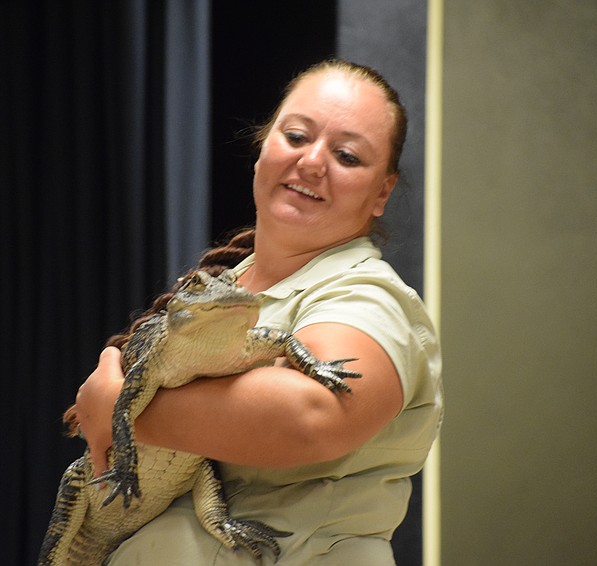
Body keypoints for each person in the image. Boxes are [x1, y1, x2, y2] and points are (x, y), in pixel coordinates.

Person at [73, 59, 443, 564]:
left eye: (347, 156)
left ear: (383, 191)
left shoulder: (367, 297)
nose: (313, 162)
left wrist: (123, 408)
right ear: (262, 147)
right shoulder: (225, 291)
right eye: (295, 136)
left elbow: (311, 416)